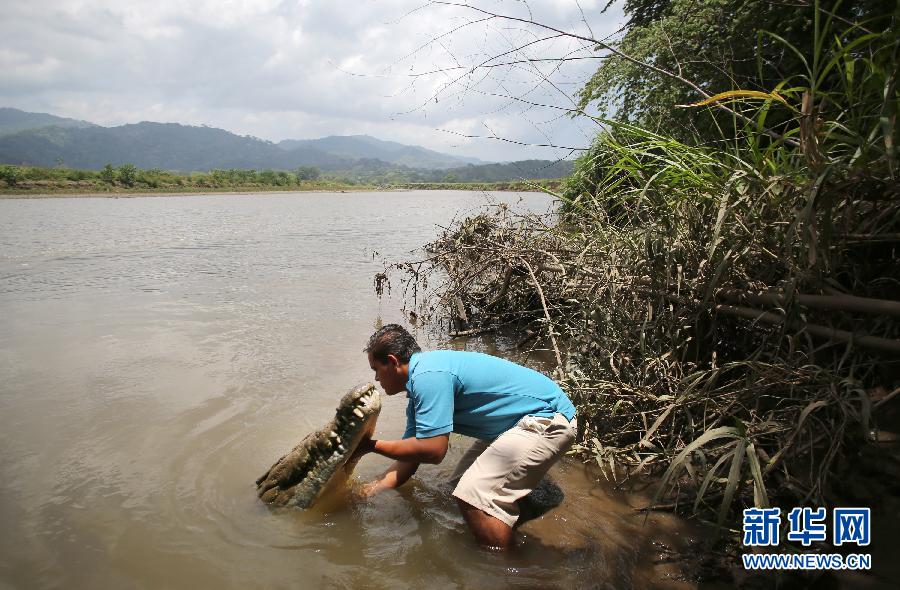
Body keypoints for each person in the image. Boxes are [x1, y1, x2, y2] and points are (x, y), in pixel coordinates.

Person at [353, 324, 577, 549]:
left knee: (474, 495)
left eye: (376, 369)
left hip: (547, 418)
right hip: (516, 425)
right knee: (455, 491)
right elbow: (410, 459)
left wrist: (370, 446)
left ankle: (510, 566)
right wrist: (369, 491)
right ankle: (530, 506)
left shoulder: (428, 376)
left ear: (392, 361)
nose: (376, 378)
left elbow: (433, 451)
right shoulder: (421, 384)